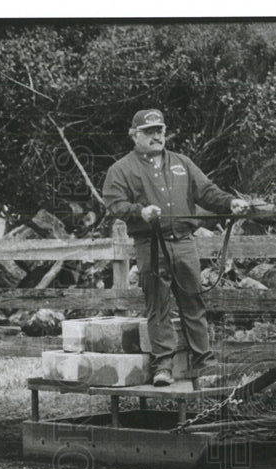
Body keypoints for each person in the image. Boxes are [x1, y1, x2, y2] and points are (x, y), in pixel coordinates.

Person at [103, 108, 248, 386]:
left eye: (160, 130)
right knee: (157, 306)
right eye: (149, 131)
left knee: (193, 303)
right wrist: (139, 212)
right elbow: (113, 203)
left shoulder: (182, 162)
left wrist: (230, 203)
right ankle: (163, 367)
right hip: (150, 245)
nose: (156, 136)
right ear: (134, 135)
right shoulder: (121, 169)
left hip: (184, 244)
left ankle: (204, 364)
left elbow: (206, 192)